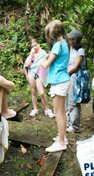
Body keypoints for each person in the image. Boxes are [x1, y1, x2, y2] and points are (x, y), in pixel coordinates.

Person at [39, 20, 70, 152]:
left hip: (59, 81)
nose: (49, 35)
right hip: (62, 79)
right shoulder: (65, 43)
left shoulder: (58, 45)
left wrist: (42, 60)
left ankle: (61, 142)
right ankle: (62, 137)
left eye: (50, 32)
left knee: (58, 113)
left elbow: (46, 65)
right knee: (61, 112)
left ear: (55, 31)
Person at [24, 39, 54, 118]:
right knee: (33, 92)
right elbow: (27, 64)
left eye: (36, 45)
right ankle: (35, 109)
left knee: (42, 93)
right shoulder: (31, 55)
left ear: (39, 44)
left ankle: (47, 109)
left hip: (39, 73)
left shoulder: (43, 53)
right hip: (31, 73)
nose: (35, 47)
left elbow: (45, 61)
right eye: (33, 46)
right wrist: (31, 54)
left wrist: (48, 57)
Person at [65, 30, 86, 133]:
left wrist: (66, 73)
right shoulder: (70, 48)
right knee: (66, 100)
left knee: (73, 101)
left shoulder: (80, 50)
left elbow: (76, 65)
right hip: (67, 77)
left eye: (71, 39)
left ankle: (75, 126)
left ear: (75, 40)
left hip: (74, 77)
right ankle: (67, 123)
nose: (69, 40)